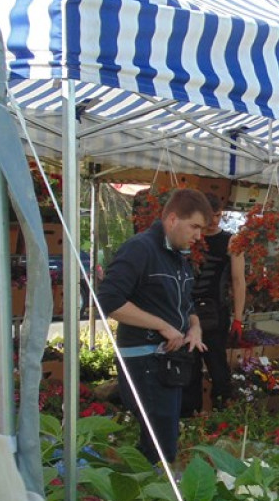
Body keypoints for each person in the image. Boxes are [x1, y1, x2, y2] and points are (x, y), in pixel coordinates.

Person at [98, 188, 211, 464]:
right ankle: (152, 487)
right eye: (194, 226)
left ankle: (145, 483)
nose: (198, 236)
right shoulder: (141, 249)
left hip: (167, 360)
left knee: (161, 438)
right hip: (145, 360)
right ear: (172, 219)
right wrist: (163, 326)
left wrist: (194, 328)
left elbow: (187, 305)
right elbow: (109, 301)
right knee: (161, 445)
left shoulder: (178, 257)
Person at [182, 193, 246, 415]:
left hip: (216, 313)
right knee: (189, 368)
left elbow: (238, 281)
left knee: (218, 367)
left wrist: (238, 318)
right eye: (211, 216)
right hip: (187, 312)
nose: (214, 221)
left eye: (218, 216)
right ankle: (190, 417)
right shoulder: (189, 238)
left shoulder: (231, 241)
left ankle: (223, 415)